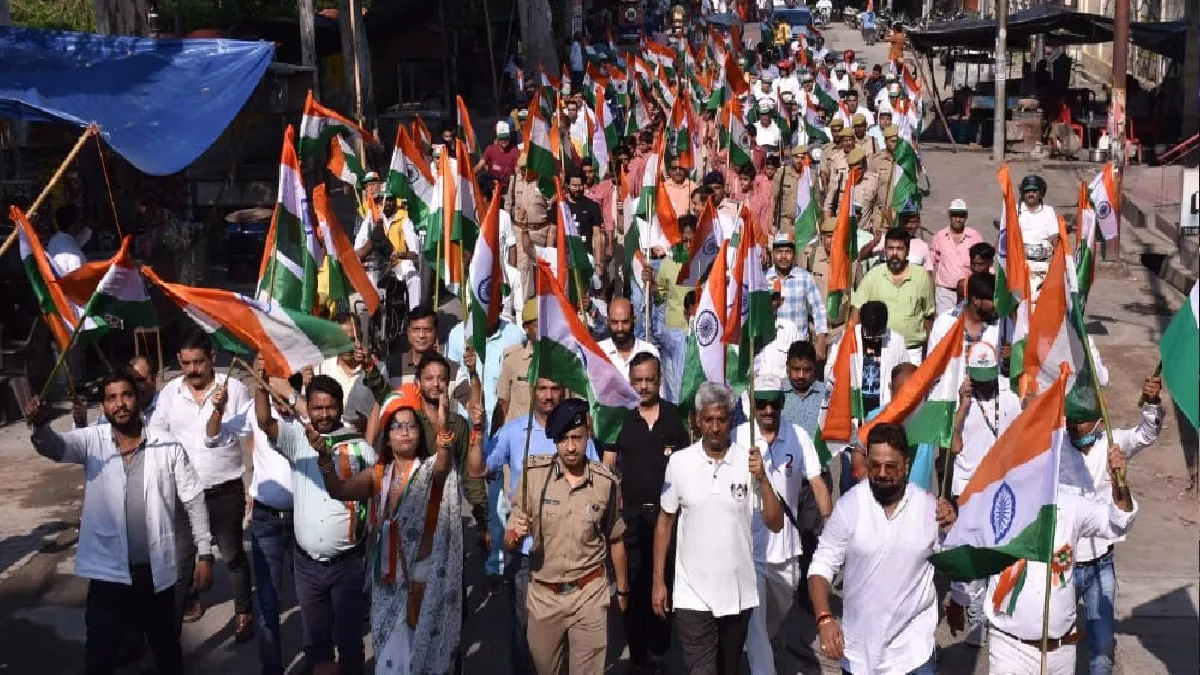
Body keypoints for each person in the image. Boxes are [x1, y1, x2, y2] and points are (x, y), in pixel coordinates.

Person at [26, 375, 213, 675]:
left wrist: (204, 552)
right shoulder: (93, 441)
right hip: (108, 576)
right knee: (100, 656)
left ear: (137, 399)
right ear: (103, 405)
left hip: (155, 575)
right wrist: (40, 425)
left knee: (166, 653)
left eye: (126, 395)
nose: (120, 404)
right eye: (111, 398)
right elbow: (53, 447)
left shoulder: (166, 444)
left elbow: (193, 498)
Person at [312, 382, 483, 674]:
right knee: (391, 662)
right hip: (387, 585)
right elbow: (339, 490)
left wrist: (442, 430)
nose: (405, 432)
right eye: (397, 427)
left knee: (426, 662)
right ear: (387, 438)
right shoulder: (378, 476)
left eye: (411, 426)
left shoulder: (429, 471)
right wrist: (326, 460)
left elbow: (443, 464)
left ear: (419, 434)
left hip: (424, 582)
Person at [653, 382, 785, 675]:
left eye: (722, 420)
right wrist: (658, 580)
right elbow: (665, 521)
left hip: (737, 592)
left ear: (730, 421)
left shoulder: (748, 462)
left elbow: (775, 524)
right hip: (692, 594)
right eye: (709, 420)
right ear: (697, 421)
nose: (715, 427)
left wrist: (762, 479)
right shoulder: (679, 462)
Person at [253, 371, 375, 675]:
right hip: (307, 566)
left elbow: (376, 497)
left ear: (340, 406)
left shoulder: (359, 448)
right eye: (317, 408)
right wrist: (259, 385)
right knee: (316, 643)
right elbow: (265, 422)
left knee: (349, 642)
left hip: (348, 565)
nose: (323, 414)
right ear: (310, 408)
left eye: (330, 407)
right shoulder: (297, 440)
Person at [808, 422, 954, 675]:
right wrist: (825, 619)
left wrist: (954, 527)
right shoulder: (849, 506)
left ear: (906, 465)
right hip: (859, 657)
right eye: (875, 465)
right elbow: (821, 566)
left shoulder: (930, 509)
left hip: (914, 656)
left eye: (891, 466)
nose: (883, 473)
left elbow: (958, 561)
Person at [977, 446, 1137, 674]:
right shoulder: (993, 506)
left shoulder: (1069, 506)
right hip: (1010, 649)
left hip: (1061, 652)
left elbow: (1119, 522)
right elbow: (958, 539)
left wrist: (1120, 484)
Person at [505, 398, 628, 675]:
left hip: (589, 594)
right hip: (545, 597)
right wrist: (516, 533)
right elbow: (509, 542)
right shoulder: (533, 477)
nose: (571, 447)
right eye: (563, 439)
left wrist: (622, 590)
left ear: (587, 436)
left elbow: (616, 539)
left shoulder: (605, 482)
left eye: (577, 438)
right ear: (554, 441)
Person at [487, 378, 602, 674]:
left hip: (571, 554)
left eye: (555, 389)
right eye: (542, 389)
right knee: (525, 637)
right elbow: (481, 467)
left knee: (564, 640)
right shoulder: (514, 432)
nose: (549, 396)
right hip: (526, 552)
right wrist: (476, 428)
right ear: (532, 392)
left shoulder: (579, 434)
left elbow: (598, 483)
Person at [147, 331, 253, 638]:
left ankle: (244, 612)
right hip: (184, 496)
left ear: (212, 359)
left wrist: (256, 482)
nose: (193, 369)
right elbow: (155, 432)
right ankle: (172, 629)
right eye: (186, 363)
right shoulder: (170, 393)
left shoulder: (233, 388)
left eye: (199, 362)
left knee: (232, 556)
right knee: (182, 563)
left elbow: (249, 433)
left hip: (225, 490)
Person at [1057, 376, 1162, 675]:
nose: (1075, 427)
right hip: (1063, 562)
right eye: (1071, 420)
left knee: (1102, 646)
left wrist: (1152, 402)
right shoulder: (1054, 449)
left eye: (1082, 421)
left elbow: (1147, 434)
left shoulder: (1113, 444)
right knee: (1055, 639)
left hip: (1101, 563)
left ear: (1099, 422)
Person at [734, 374, 831, 675]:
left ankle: (755, 646)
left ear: (781, 402)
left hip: (787, 551)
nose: (766, 410)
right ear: (752, 404)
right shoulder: (738, 438)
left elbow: (817, 482)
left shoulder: (800, 437)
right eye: (760, 403)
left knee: (773, 620)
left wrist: (832, 523)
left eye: (772, 403)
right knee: (759, 631)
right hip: (749, 550)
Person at [612, 353, 690, 673]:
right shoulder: (621, 418)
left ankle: (660, 651)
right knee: (632, 586)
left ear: (660, 380)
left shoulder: (674, 418)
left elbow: (687, 464)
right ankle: (639, 656)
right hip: (631, 520)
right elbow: (610, 467)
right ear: (630, 382)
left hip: (666, 520)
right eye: (638, 380)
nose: (644, 386)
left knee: (663, 584)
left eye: (650, 380)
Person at [945, 342, 1022, 647]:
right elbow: (952, 446)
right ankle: (978, 617)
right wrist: (963, 406)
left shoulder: (1010, 397)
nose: (984, 385)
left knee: (995, 552)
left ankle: (994, 612)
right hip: (967, 488)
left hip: (1000, 486)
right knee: (975, 553)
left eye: (987, 378)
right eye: (978, 378)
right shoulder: (960, 397)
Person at [824, 301, 909, 492]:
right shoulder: (847, 339)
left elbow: (904, 377)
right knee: (851, 481)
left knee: (882, 479)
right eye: (869, 333)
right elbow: (830, 373)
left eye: (877, 333)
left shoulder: (897, 341)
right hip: (855, 422)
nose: (872, 337)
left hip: (884, 420)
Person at [851, 228, 936, 364]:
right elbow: (857, 309)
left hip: (912, 351)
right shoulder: (874, 275)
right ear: (885, 250)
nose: (894, 253)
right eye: (890, 248)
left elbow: (929, 315)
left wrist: (930, 351)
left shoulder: (921, 276)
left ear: (907, 251)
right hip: (881, 348)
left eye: (899, 249)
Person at [765, 234, 828, 360]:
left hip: (799, 347)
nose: (783, 256)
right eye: (779, 252)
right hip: (770, 347)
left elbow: (818, 308)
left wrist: (821, 339)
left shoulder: (805, 277)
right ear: (773, 254)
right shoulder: (763, 278)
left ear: (794, 254)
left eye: (787, 252)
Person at [927, 199, 985, 315]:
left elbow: (984, 260)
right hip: (945, 294)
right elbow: (930, 262)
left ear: (966, 216)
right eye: (955, 215)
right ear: (949, 215)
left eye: (961, 215)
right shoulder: (940, 237)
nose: (958, 219)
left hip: (968, 292)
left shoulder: (974, 236)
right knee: (946, 327)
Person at [495, 299, 539, 430]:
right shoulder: (513, 359)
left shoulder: (565, 361)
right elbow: (503, 404)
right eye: (537, 325)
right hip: (519, 440)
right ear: (526, 328)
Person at [1016, 174, 1060, 299]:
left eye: (1034, 191)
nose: (1030, 194)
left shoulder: (1048, 212)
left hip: (1042, 267)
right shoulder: (1014, 211)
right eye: (1027, 191)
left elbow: (1055, 239)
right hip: (1020, 266)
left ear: (1041, 193)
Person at [598, 297, 661, 381]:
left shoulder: (650, 351)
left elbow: (658, 391)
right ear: (607, 321)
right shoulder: (597, 352)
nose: (620, 328)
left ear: (634, 320)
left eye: (625, 322)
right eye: (615, 322)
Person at [395, 306, 440, 384]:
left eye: (427, 330)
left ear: (436, 333)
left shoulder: (452, 370)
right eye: (416, 329)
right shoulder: (393, 367)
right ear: (408, 332)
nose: (421, 335)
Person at [477, 121, 520, 192]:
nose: (504, 141)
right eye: (502, 138)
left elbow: (517, 170)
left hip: (508, 188)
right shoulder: (490, 149)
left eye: (506, 138)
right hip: (492, 188)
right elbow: (480, 164)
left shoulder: (514, 151)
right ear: (497, 138)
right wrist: (471, 173)